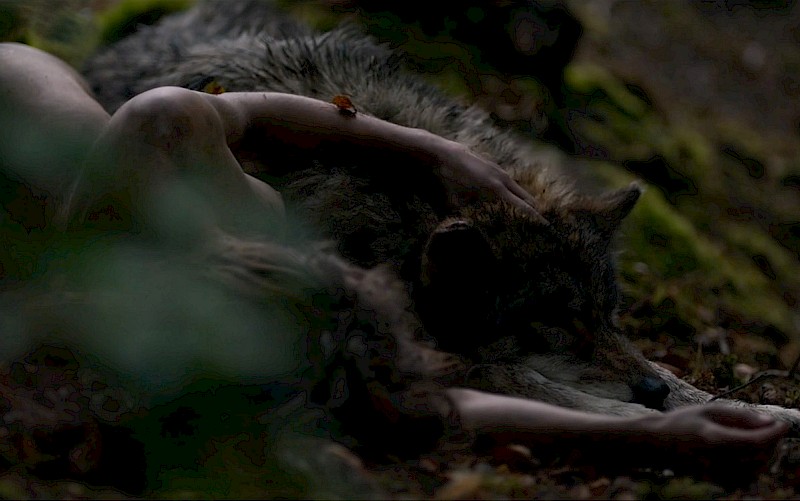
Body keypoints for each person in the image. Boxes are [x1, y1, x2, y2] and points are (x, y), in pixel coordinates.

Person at [0, 42, 789, 475]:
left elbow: (202, 111)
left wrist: (430, 151)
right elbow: (443, 406)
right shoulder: (222, 330)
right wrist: (648, 437)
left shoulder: (138, 222)